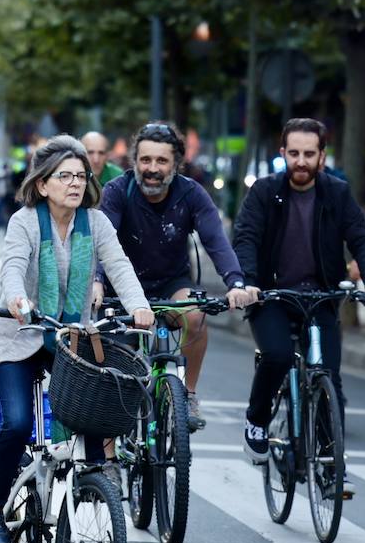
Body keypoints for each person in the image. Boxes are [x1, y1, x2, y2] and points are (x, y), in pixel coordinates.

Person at [0, 135, 153, 543]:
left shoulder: (95, 223)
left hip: (73, 341)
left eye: (81, 176)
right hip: (21, 336)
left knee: (91, 419)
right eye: (65, 176)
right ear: (43, 184)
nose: (75, 183)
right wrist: (17, 299)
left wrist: (140, 307)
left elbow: (120, 266)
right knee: (19, 422)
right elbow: (14, 267)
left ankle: (89, 500)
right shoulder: (25, 221)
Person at [236, 117, 365, 494]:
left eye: (309, 154)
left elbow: (361, 238)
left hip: (318, 297)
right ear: (283, 153)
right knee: (277, 355)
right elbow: (247, 238)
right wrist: (246, 282)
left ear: (322, 156)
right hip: (271, 296)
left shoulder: (337, 193)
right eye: (294, 153)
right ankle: (256, 419)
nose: (301, 161)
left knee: (327, 374)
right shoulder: (264, 193)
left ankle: (333, 467)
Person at [97, 122, 256, 430]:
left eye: (161, 161)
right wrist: (97, 281)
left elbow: (216, 242)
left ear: (175, 164)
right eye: (145, 160)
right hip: (124, 289)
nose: (152, 169)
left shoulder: (191, 193)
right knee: (119, 378)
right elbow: (102, 241)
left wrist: (235, 282)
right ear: (134, 161)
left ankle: (188, 394)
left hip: (172, 283)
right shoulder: (117, 191)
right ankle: (111, 460)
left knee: (195, 316)